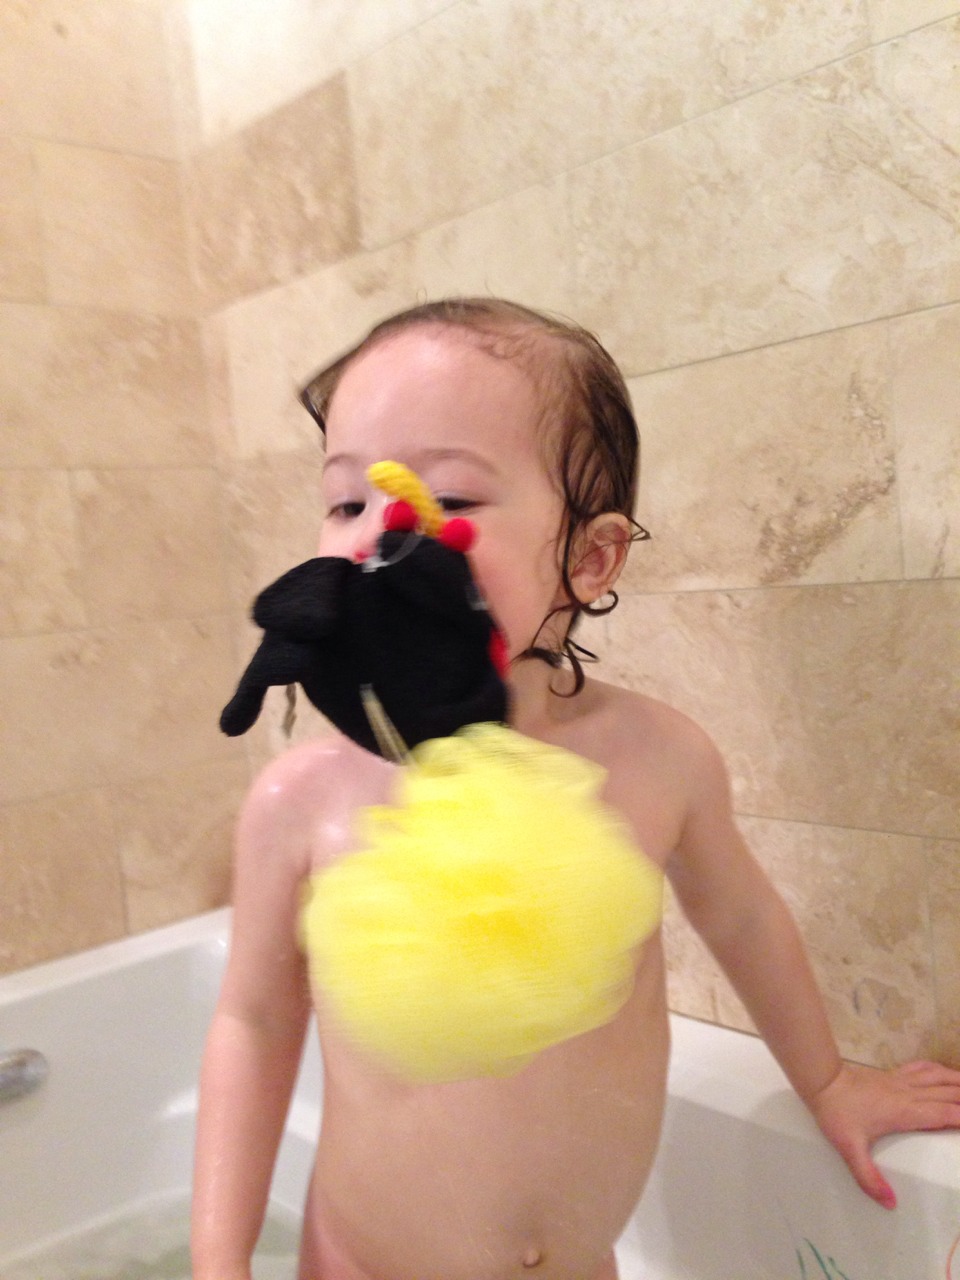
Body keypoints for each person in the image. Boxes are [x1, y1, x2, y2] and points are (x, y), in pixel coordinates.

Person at [191, 298, 960, 1280]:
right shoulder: (302, 799)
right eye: (347, 503)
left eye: (447, 497)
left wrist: (829, 1079)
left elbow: (743, 918)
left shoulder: (657, 758)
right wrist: (221, 1259)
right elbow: (254, 1022)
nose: (380, 536)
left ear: (590, 557)